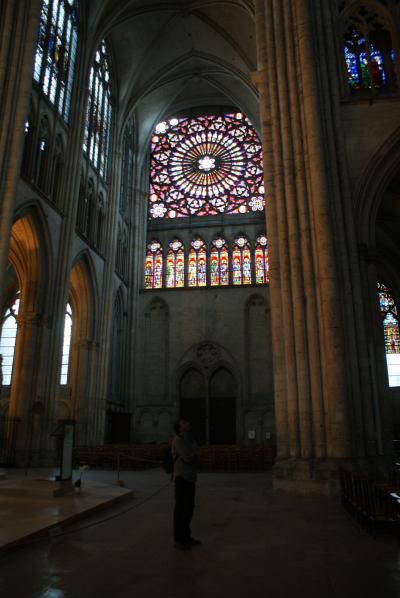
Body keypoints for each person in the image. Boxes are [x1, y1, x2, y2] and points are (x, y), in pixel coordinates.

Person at [171, 418, 201, 550]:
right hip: (181, 477)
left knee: (189, 509)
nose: (188, 423)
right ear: (180, 427)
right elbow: (188, 457)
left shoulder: (190, 438)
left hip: (191, 477)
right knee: (181, 509)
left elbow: (196, 452)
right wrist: (194, 454)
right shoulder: (178, 439)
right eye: (184, 422)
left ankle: (186, 537)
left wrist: (193, 453)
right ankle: (179, 540)